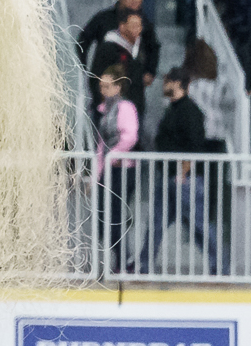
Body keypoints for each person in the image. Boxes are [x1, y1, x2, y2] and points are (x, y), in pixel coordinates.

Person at [143, 72, 220, 275]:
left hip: (184, 178)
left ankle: (220, 266)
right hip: (171, 175)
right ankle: (144, 264)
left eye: (167, 82)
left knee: (199, 225)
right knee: (157, 223)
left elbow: (194, 146)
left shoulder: (190, 111)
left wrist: (183, 172)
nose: (164, 86)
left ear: (178, 83)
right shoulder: (173, 108)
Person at [93, 70, 140, 272]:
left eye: (107, 86)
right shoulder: (104, 110)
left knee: (114, 216)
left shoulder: (125, 107)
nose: (103, 90)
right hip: (109, 168)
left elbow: (130, 137)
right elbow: (101, 145)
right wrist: (97, 173)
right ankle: (123, 258)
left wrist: (113, 155)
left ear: (118, 87)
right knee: (104, 217)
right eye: (101, 86)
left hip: (123, 168)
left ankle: (124, 259)